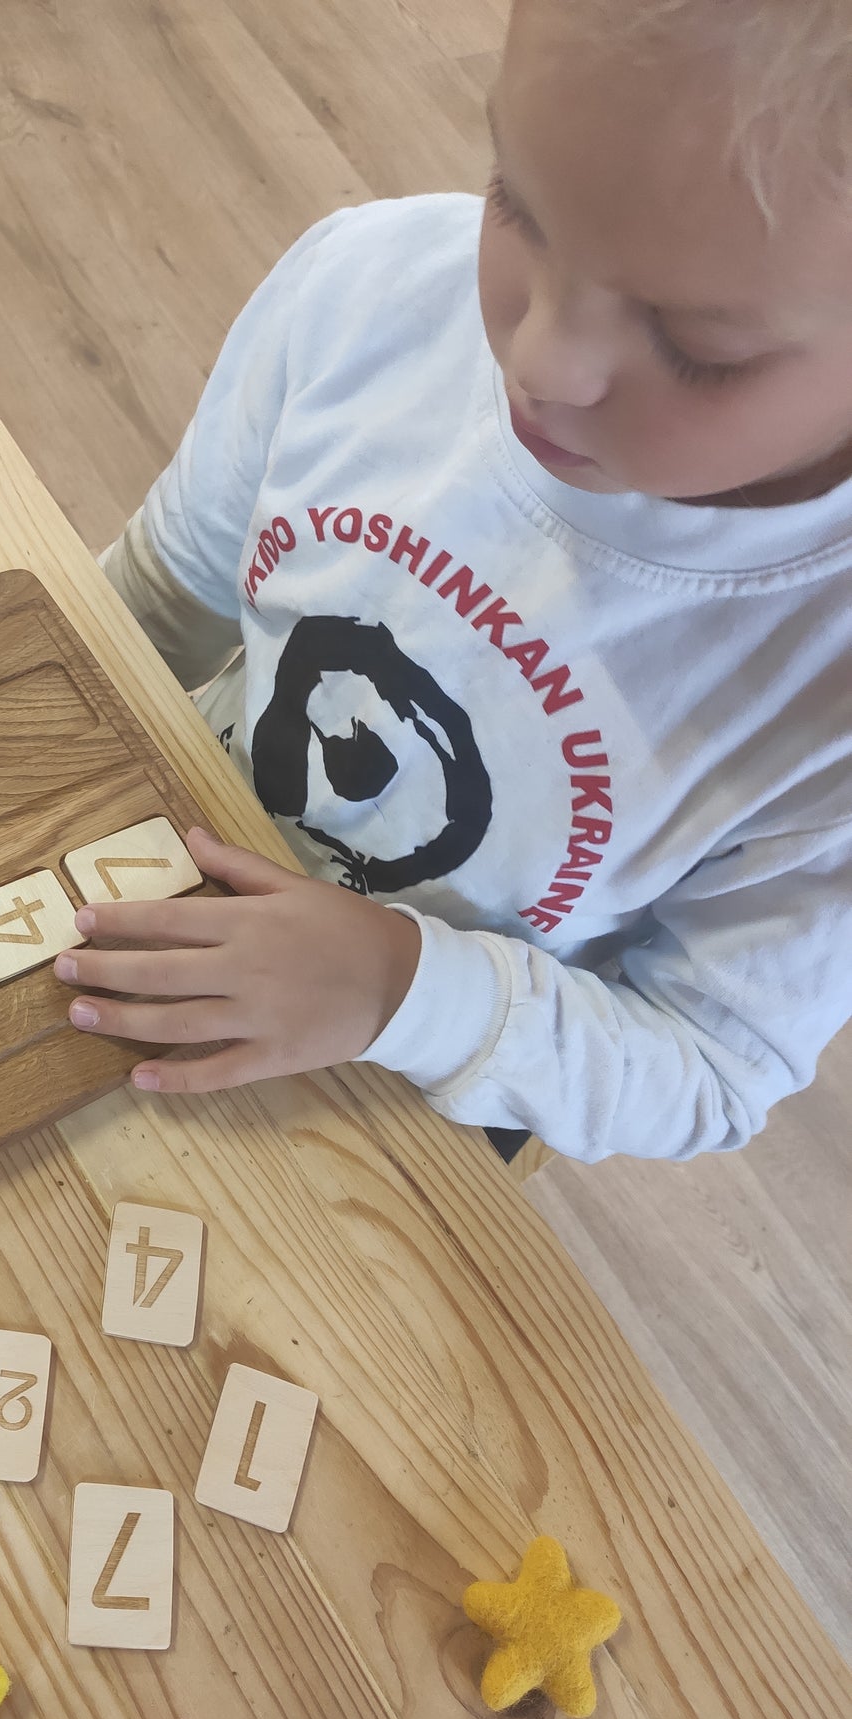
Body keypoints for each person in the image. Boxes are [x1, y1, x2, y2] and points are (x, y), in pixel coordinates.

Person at [54, 0, 852, 1161]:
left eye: (695, 345)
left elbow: (707, 1064)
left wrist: (400, 991)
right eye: (515, 207)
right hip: (138, 871)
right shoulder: (367, 286)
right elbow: (157, 594)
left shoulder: (820, 696)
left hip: (403, 1086)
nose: (539, 360)